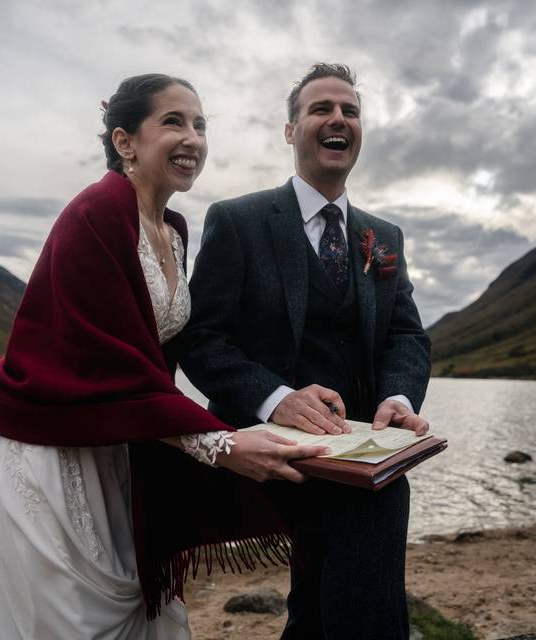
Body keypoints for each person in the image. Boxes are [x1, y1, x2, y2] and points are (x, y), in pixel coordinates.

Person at [0, 73, 328, 639]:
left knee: (148, 617)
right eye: (173, 122)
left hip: (120, 448)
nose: (193, 139)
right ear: (124, 142)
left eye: (200, 125)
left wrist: (279, 398)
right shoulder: (96, 212)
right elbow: (110, 363)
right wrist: (222, 444)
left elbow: (177, 350)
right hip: (49, 458)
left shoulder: (175, 230)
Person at [180, 63, 433, 639]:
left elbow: (407, 335)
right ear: (291, 130)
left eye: (350, 111)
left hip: (364, 451)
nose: (338, 119)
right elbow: (201, 338)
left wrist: (397, 395)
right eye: (321, 109)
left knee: (327, 594)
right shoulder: (238, 220)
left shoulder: (383, 237)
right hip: (273, 453)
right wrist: (275, 400)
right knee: (363, 557)